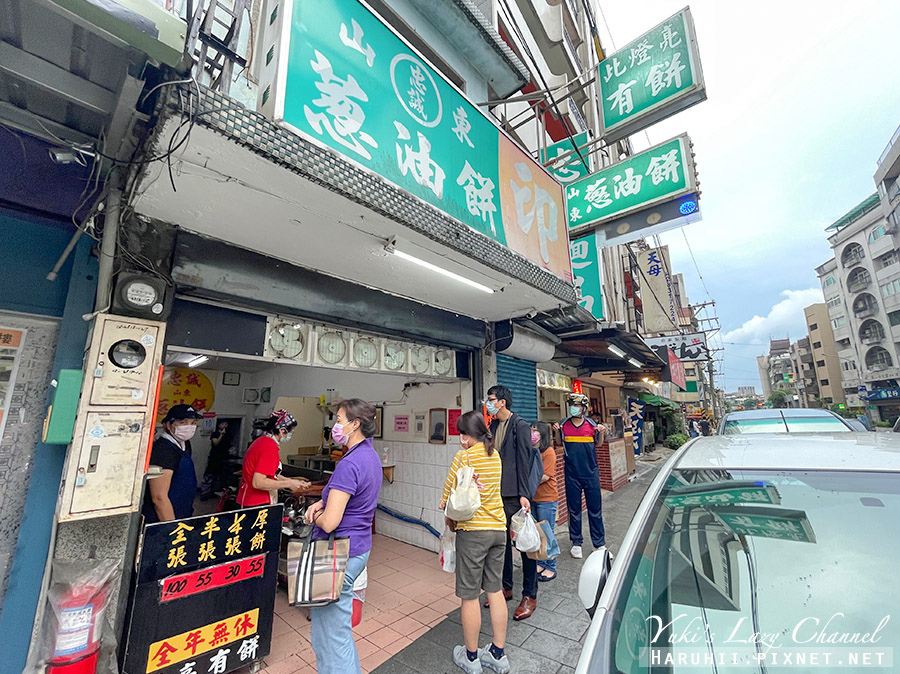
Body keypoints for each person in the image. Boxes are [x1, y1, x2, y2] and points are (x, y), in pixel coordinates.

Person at [304, 399, 382, 674]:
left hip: (336, 552)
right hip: (357, 548)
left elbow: (330, 523)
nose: (335, 426)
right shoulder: (370, 456)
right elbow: (349, 499)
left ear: (355, 424)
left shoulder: (349, 464)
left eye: (338, 420)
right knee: (335, 630)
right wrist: (323, 502)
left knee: (329, 636)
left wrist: (313, 515)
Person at [440, 411, 510, 674]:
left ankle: (471, 657)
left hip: (473, 532)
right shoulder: (496, 455)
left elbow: (445, 500)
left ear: (468, 435)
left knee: (469, 595)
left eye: (462, 433)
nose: (460, 438)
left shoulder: (464, 457)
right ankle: (498, 654)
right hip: (498, 530)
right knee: (495, 590)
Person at [484, 385, 539, 621]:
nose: (488, 403)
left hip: (515, 494)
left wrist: (524, 494)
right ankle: (506, 587)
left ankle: (530, 595)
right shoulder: (493, 425)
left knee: (524, 545)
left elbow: (524, 461)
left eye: (491, 399)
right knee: (502, 544)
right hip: (496, 493)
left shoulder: (520, 425)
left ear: (502, 402)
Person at [555, 393, 606, 559]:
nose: (573, 408)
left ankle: (599, 543)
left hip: (591, 472)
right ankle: (576, 542)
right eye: (571, 405)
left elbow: (599, 444)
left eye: (576, 405)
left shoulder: (592, 425)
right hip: (572, 473)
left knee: (595, 509)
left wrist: (602, 432)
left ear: (584, 408)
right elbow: (559, 442)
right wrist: (556, 431)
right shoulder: (564, 424)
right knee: (574, 509)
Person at [143, 404, 201, 523]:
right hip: (163, 520)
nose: (189, 427)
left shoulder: (185, 444)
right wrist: (171, 527)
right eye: (183, 422)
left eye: (193, 423)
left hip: (182, 512)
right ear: (168, 424)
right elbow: (159, 497)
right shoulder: (163, 450)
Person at [236, 410, 307, 507]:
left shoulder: (262, 441)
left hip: (248, 499)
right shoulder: (269, 447)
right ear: (282, 430)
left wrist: (291, 481)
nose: (290, 435)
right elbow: (258, 482)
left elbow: (270, 475)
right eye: (291, 432)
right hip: (257, 502)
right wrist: (288, 484)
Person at [530, 422, 559, 582]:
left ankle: (551, 567)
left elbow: (545, 476)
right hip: (534, 498)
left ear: (543, 434)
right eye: (531, 430)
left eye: (535, 431)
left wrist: (526, 483)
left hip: (547, 499)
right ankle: (541, 562)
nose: (532, 433)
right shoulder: (531, 451)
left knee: (547, 532)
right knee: (538, 533)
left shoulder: (549, 452)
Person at [199, 420, 234, 500]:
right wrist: (221, 435)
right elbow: (215, 443)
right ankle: (204, 493)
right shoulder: (215, 434)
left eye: (226, 424)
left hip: (224, 457)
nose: (224, 426)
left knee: (220, 476)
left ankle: (216, 492)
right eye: (222, 424)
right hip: (214, 458)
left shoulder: (228, 434)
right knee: (209, 475)